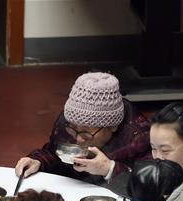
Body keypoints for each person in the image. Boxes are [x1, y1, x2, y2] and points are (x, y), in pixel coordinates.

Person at [14, 72, 151, 188]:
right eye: (73, 129)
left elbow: (149, 185)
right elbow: (55, 152)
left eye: (86, 133)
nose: (78, 139)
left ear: (113, 126)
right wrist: (38, 161)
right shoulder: (70, 121)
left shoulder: (138, 136)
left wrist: (108, 169)